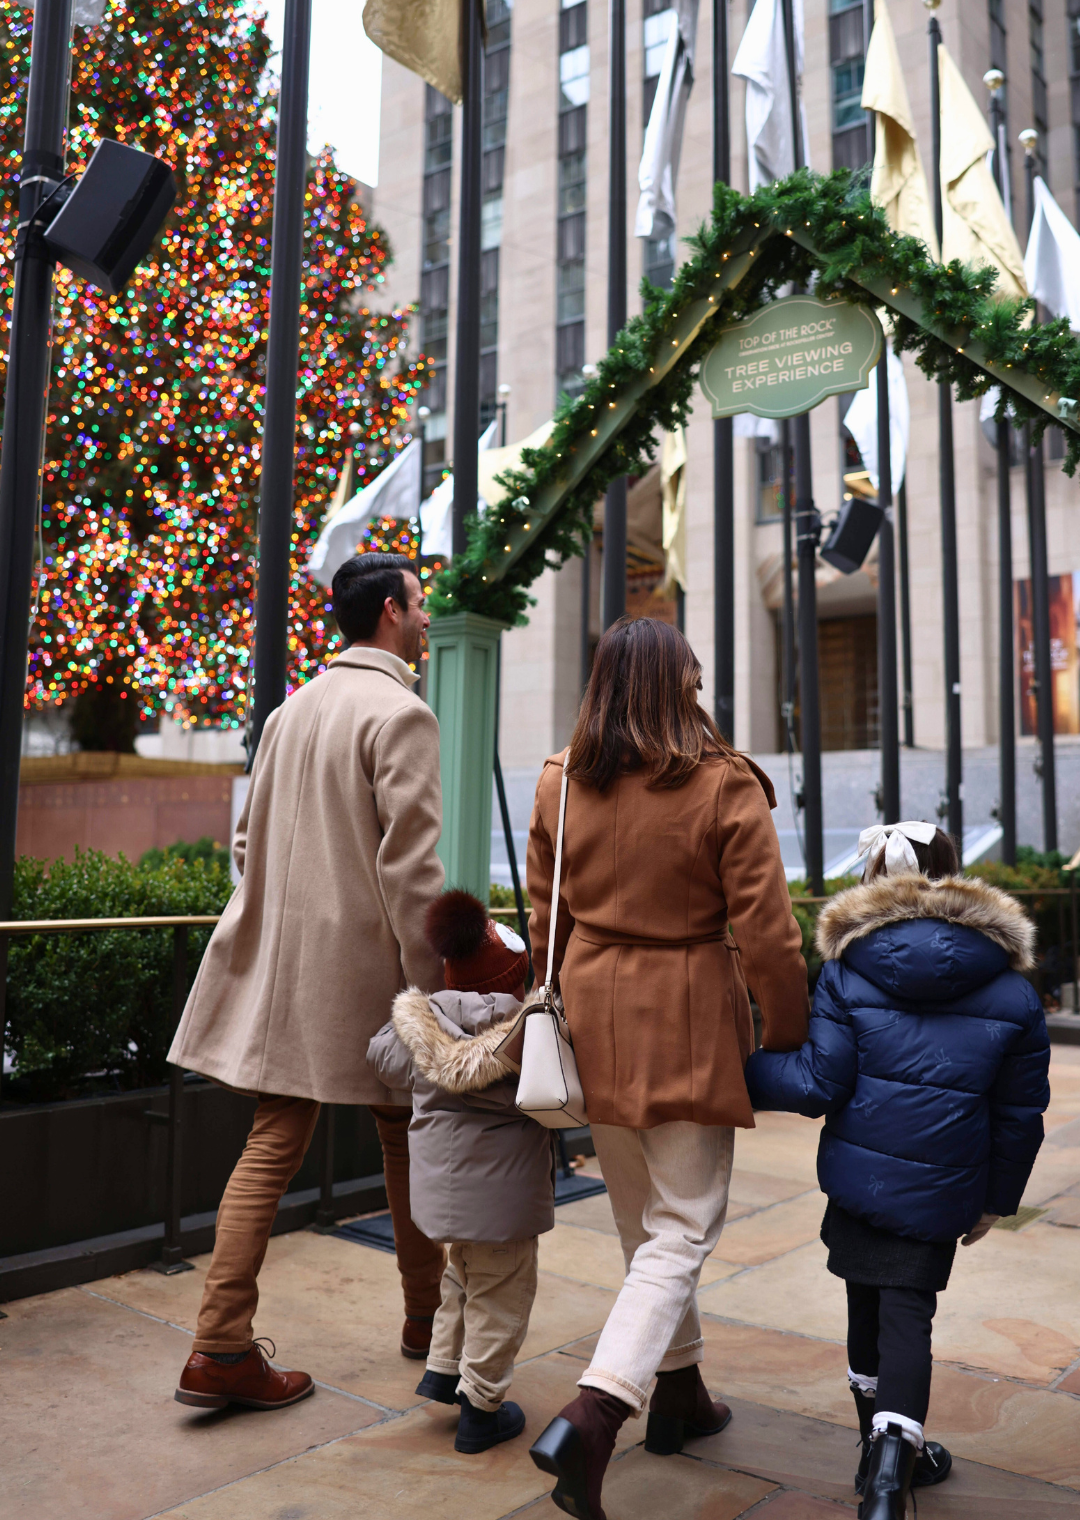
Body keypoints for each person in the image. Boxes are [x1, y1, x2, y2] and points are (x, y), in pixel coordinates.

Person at [524, 617, 810, 1520]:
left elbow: (543, 919)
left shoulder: (562, 782)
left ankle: (680, 1394)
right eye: (692, 672)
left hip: (594, 1013)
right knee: (683, 1227)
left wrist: (562, 1001)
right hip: (686, 1012)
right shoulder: (724, 784)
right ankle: (598, 1413)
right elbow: (770, 933)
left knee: (642, 1224)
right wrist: (788, 1034)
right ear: (678, 681)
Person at [169, 552, 447, 1410]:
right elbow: (411, 873)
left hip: (281, 968)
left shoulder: (289, 712)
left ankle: (218, 1348)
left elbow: (246, 848)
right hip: (364, 970)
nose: (429, 618)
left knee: (271, 1143)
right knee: (404, 1135)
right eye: (422, 603)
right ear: (392, 612)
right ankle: (426, 1324)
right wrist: (428, 991)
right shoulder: (401, 713)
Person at [745, 822, 1051, 1520]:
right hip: (945, 1186)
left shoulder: (847, 970)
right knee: (909, 1316)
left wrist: (736, 1072)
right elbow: (1018, 1115)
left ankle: (874, 1445)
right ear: (956, 879)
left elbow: (820, 1081)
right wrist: (997, 1200)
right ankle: (891, 1473)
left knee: (865, 1303)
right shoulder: (1012, 990)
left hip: (862, 1180)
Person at [367, 889, 554, 1452]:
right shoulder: (526, 1036)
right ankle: (482, 1406)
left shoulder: (426, 1023)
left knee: (461, 1277)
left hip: (439, 1199)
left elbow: (381, 1056)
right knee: (502, 1295)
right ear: (512, 981)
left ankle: (444, 1369)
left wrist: (420, 1014)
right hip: (503, 1207)